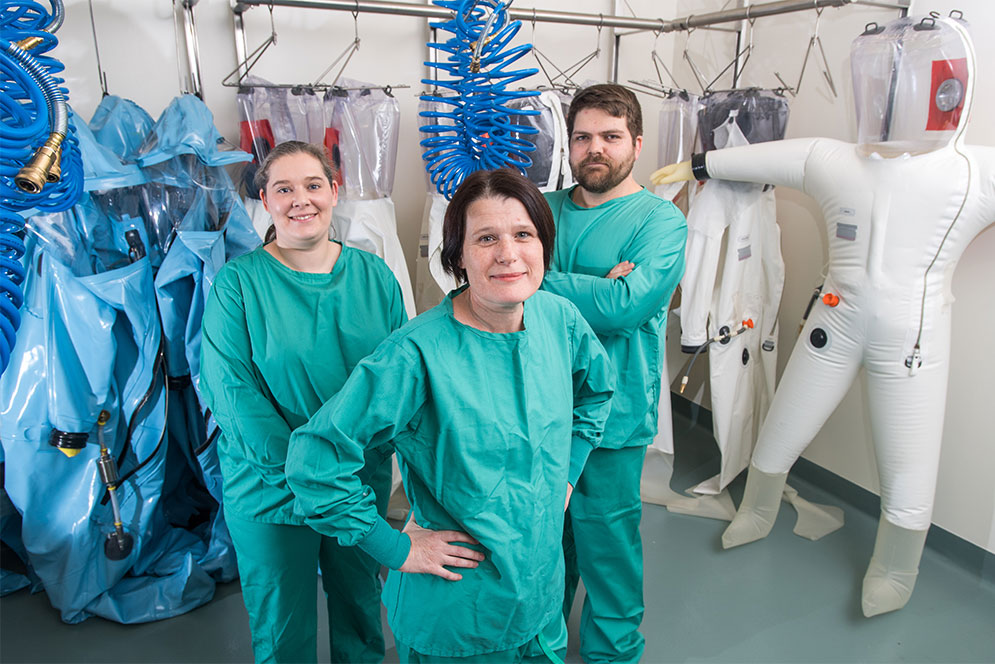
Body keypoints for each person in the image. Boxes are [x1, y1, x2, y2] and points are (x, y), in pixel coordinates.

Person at [285, 168, 615, 663]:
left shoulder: (557, 318)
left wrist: (565, 475)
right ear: (458, 256)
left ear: (544, 244)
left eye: (523, 234)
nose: (508, 253)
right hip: (460, 611)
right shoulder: (416, 355)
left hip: (539, 598)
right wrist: (395, 548)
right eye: (486, 238)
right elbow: (316, 460)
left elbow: (595, 392)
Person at [200, 140, 407, 663]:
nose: (301, 200)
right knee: (282, 627)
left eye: (313, 185)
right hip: (270, 487)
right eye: (284, 189)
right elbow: (232, 394)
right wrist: (304, 472)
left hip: (355, 480)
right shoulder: (238, 285)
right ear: (265, 201)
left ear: (334, 191)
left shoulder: (374, 277)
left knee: (362, 614)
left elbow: (399, 382)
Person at [541, 84, 687, 663]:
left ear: (637, 143)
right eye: (582, 137)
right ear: (568, 144)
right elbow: (497, 286)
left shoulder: (659, 221)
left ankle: (614, 652)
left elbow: (627, 305)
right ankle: (540, 640)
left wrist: (539, 280)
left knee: (608, 546)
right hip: (541, 407)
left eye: (610, 136)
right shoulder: (542, 208)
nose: (594, 148)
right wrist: (599, 287)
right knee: (546, 544)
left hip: (613, 415)